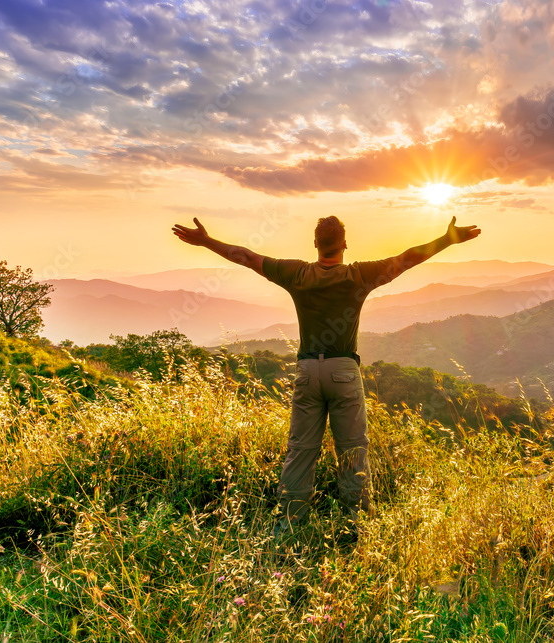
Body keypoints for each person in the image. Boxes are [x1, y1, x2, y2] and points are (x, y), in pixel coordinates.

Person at [171, 214, 481, 539]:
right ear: (344, 243)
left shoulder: (298, 274)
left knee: (301, 451)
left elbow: (247, 257)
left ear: (315, 244)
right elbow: (405, 259)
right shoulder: (359, 275)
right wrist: (447, 240)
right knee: (352, 451)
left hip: (307, 371)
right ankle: (359, 528)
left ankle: (287, 528)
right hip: (344, 371)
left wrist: (206, 241)